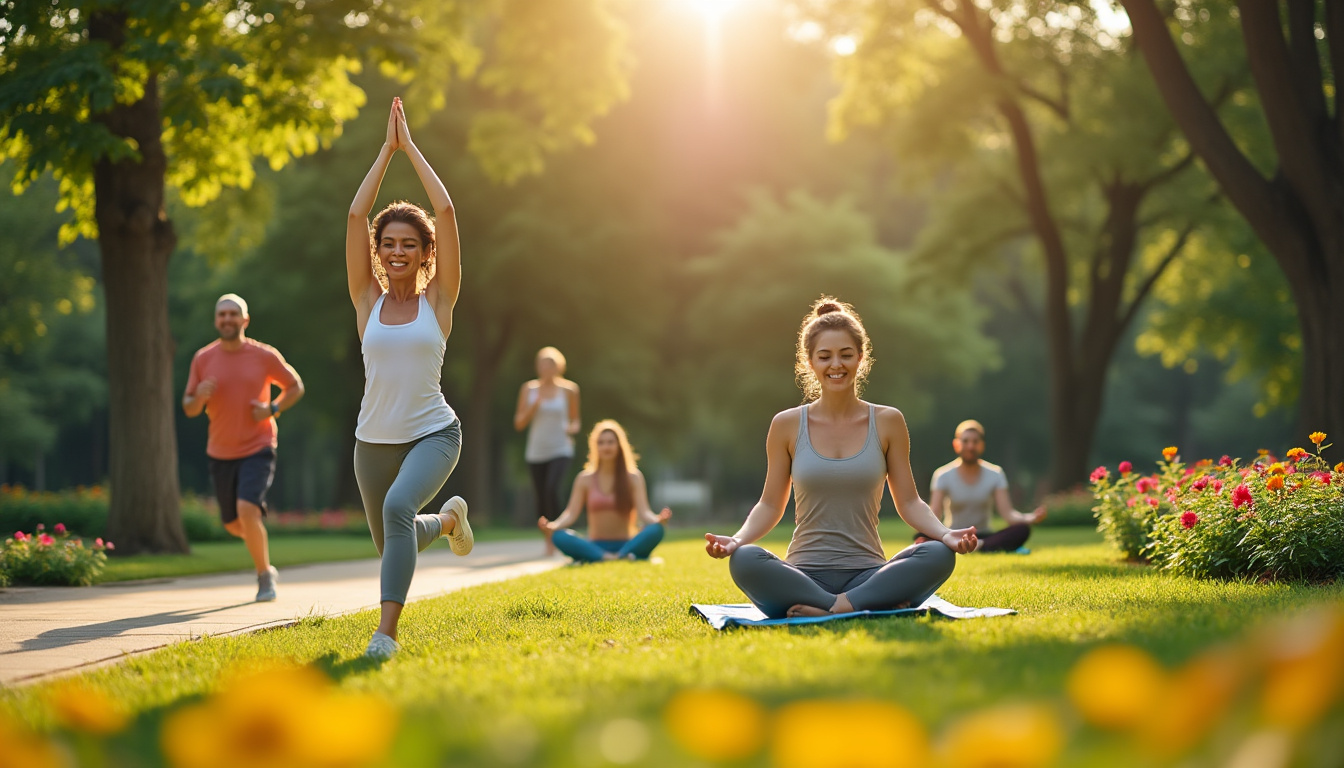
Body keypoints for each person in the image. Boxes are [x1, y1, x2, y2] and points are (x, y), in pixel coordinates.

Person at [704, 297, 979, 619]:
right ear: (809, 362)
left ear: (861, 358)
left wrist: (945, 534)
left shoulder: (888, 421)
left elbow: (909, 502)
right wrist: (736, 541)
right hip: (803, 577)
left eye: (846, 355)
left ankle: (832, 608)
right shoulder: (786, 424)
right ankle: (867, 606)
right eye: (825, 356)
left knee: (938, 554)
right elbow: (770, 505)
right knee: (745, 560)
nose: (837, 365)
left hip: (869, 574)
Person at [347, 97, 473, 658]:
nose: (398, 251)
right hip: (371, 442)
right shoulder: (365, 300)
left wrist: (411, 148)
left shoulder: (439, 302)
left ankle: (385, 636)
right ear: (378, 253)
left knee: (398, 513)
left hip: (433, 433)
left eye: (409, 244)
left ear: (425, 254)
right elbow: (355, 217)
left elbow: (445, 214)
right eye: (389, 243)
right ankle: (447, 522)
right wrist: (384, 151)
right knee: (394, 539)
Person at [183, 293, 305, 602]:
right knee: (233, 524)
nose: (227, 319)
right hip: (220, 451)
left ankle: (265, 577)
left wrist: (273, 409)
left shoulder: (263, 355)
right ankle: (258, 542)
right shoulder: (203, 358)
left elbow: (295, 386)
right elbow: (189, 408)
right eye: (222, 315)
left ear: (245, 320)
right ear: (216, 321)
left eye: (233, 314)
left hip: (258, 445)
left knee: (247, 510)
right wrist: (198, 395)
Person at [538, 420, 671, 563]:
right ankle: (613, 557)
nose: (606, 446)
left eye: (610, 442)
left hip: (627, 543)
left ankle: (615, 556)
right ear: (594, 447)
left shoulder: (633, 477)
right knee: (559, 536)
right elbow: (570, 513)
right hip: (595, 545)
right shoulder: (584, 479)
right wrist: (554, 526)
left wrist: (658, 520)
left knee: (656, 530)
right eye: (601, 443)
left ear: (619, 445)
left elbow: (644, 512)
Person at [918, 420, 1046, 552]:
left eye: (975, 442)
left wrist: (1030, 517)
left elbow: (1008, 514)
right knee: (921, 538)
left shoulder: (996, 474)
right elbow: (935, 514)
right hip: (954, 534)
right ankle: (984, 547)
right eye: (966, 441)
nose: (970, 446)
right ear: (956, 445)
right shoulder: (942, 475)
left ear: (982, 445)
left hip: (984, 535)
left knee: (1022, 530)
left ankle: (980, 545)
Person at [514, 347, 580, 554]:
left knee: (552, 488)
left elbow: (575, 419)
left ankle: (560, 531)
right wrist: (534, 407)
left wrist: (573, 428)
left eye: (550, 364)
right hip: (536, 450)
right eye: (542, 364)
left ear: (559, 367)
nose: (546, 368)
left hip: (561, 447)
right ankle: (549, 540)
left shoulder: (569, 390)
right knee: (541, 496)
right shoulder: (529, 389)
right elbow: (519, 423)